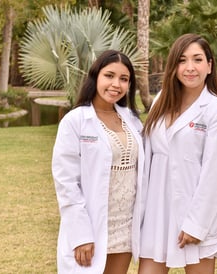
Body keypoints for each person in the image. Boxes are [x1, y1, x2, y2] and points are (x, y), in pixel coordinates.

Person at [138, 33, 217, 274]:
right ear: (173, 67)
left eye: (197, 60)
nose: (189, 68)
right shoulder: (161, 101)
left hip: (196, 215)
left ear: (209, 65)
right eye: (182, 61)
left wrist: (197, 225)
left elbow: (216, 173)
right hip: (157, 212)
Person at [52, 49, 145, 274]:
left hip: (125, 224)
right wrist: (81, 234)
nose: (116, 84)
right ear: (96, 77)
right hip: (91, 224)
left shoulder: (132, 120)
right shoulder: (75, 121)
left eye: (124, 79)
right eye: (109, 75)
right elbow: (66, 182)